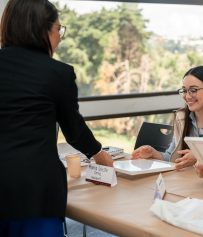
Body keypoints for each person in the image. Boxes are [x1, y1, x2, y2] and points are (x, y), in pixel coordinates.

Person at [0, 0, 114, 236]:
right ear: (43, 29)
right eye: (58, 29)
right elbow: (74, 129)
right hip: (35, 191)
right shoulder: (57, 73)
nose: (60, 37)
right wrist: (100, 154)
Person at [132, 65, 203, 170]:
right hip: (188, 183)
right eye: (185, 91)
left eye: (193, 90)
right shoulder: (181, 118)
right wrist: (153, 153)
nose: (187, 96)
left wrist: (199, 157)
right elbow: (172, 157)